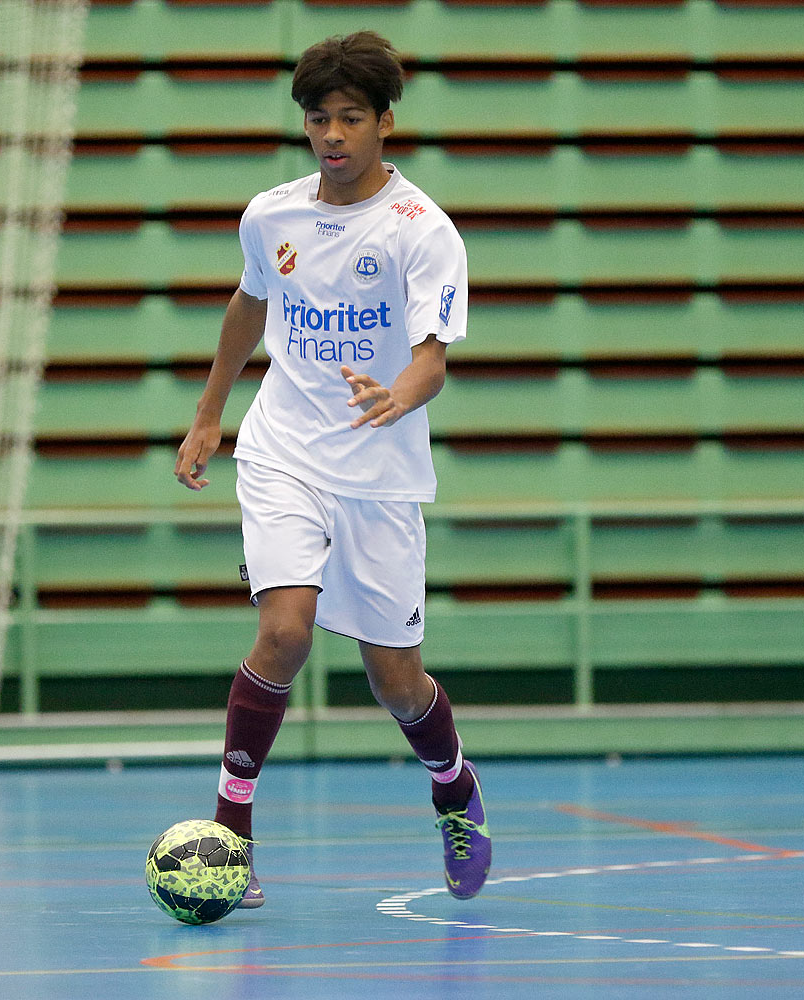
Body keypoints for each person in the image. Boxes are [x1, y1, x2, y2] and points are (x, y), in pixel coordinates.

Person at [173, 30, 490, 908]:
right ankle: (230, 834)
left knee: (396, 678)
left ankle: (455, 787)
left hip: (380, 475)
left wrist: (401, 394)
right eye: (320, 120)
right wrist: (209, 417)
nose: (335, 134)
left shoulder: (422, 233)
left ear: (386, 123)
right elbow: (248, 305)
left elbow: (433, 358)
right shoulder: (272, 215)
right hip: (282, 453)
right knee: (286, 631)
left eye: (352, 118)